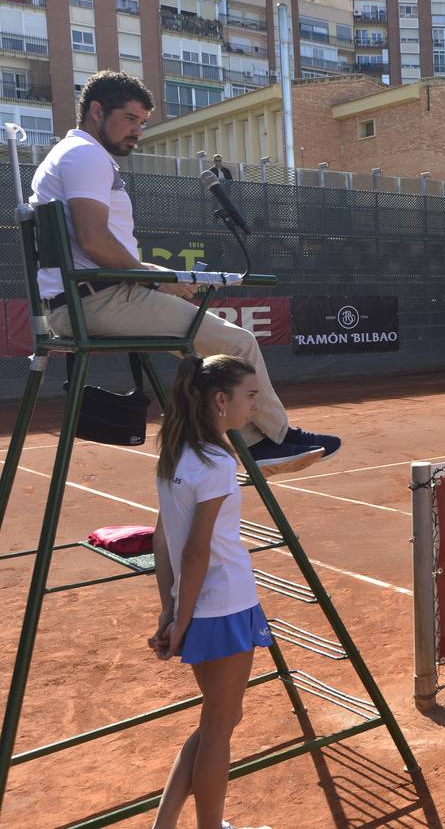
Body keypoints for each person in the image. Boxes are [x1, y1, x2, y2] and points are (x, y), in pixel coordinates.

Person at [32, 71, 335, 475]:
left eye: (142, 122)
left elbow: (101, 251)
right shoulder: (85, 155)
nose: (137, 131)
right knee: (238, 344)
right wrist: (158, 280)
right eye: (130, 119)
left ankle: (238, 447)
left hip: (89, 297)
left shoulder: (71, 155)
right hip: (98, 301)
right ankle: (272, 441)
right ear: (96, 111)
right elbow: (93, 241)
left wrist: (166, 277)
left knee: (207, 357)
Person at [150, 355, 276, 828]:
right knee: (220, 728)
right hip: (224, 604)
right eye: (250, 394)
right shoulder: (217, 460)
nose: (255, 402)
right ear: (220, 401)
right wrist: (179, 621)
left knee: (215, 722)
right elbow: (195, 551)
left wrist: (170, 608)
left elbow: (163, 537)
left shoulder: (174, 454)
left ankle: (165, 825)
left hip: (199, 604)